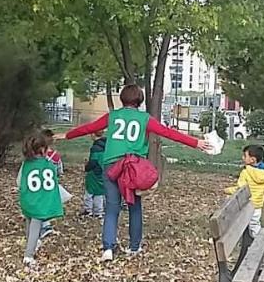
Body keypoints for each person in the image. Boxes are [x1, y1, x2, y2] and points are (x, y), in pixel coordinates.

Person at [62, 85, 211, 262]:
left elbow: (89, 127)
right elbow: (168, 133)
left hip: (111, 164)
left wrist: (67, 135)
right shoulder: (144, 119)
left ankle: (108, 248)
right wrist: (195, 143)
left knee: (111, 208)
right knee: (134, 206)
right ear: (139, 101)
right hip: (133, 167)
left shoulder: (113, 116)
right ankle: (134, 246)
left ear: (122, 99)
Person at [17, 132, 64, 266]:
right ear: (42, 149)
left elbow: (19, 182)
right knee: (35, 226)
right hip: (40, 201)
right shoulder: (49, 165)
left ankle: (32, 242)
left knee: (29, 221)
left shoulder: (26, 165)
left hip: (28, 199)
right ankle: (28, 254)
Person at [225, 145, 264, 238]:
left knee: (244, 223)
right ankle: (259, 239)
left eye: (245, 156)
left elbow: (240, 189)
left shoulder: (245, 172)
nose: (242, 158)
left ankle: (259, 242)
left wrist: (227, 190)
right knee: (255, 225)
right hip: (258, 205)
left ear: (252, 160)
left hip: (247, 205)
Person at [39, 129, 63, 238]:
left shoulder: (37, 156)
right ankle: (46, 224)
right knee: (47, 204)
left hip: (39, 184)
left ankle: (44, 225)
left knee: (39, 204)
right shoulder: (56, 156)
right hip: (51, 184)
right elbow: (59, 171)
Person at [82, 130, 107, 218]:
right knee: (99, 192)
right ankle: (99, 211)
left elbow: (93, 161)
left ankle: (87, 209)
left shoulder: (96, 147)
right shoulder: (106, 145)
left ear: (93, 134)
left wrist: (86, 167)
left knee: (89, 191)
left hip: (94, 172)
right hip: (103, 171)